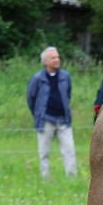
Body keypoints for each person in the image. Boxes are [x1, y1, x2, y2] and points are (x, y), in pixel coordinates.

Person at [26, 46, 77, 178]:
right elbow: (31, 99)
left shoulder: (66, 77)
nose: (57, 59)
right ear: (45, 62)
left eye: (58, 57)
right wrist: (38, 114)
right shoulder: (37, 78)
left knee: (69, 150)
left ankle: (72, 178)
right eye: (53, 57)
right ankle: (45, 178)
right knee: (44, 152)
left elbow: (68, 95)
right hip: (46, 120)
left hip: (63, 120)